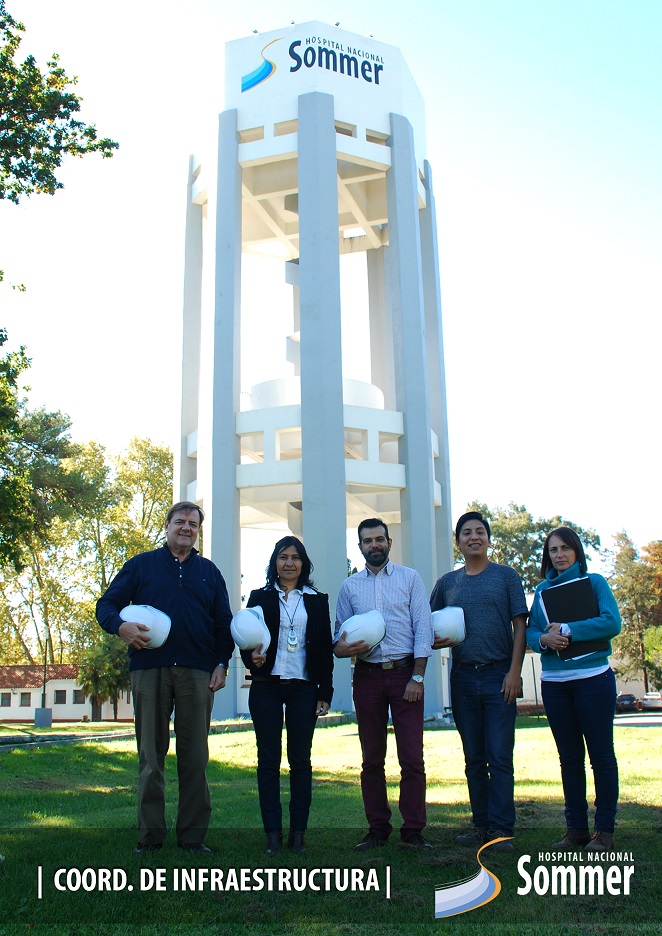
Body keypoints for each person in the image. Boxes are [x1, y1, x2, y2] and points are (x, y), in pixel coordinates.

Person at [96, 501, 234, 855]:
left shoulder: (209, 572)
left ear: (198, 530)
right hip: (149, 670)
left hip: (197, 672)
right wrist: (122, 627)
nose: (186, 528)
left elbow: (223, 623)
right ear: (167, 525)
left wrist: (222, 663)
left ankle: (192, 838)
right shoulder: (141, 565)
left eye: (193, 523)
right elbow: (106, 606)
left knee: (195, 756)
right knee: (150, 755)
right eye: (180, 522)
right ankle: (150, 838)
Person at [430, 511, 528, 851]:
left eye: (480, 531)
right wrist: (436, 638)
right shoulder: (447, 583)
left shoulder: (506, 577)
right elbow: (430, 626)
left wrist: (514, 673)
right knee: (474, 758)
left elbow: (520, 626)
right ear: (458, 542)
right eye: (467, 533)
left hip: (499, 674)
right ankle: (480, 827)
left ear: (488, 538)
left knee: (499, 755)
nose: (474, 537)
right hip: (462, 677)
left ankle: (502, 830)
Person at [334, 518, 434, 850]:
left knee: (411, 757)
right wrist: (341, 649)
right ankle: (377, 829)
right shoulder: (350, 588)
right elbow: (338, 638)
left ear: (389, 542)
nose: (374, 545)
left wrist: (418, 676)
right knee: (371, 758)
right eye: (367, 541)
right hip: (367, 677)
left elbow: (423, 628)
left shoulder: (410, 579)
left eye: (380, 539)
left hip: (405, 673)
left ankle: (414, 830)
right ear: (360, 546)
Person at [526, 526, 621, 853]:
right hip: (555, 686)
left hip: (593, 680)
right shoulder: (541, 591)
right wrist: (543, 639)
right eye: (553, 550)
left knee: (601, 756)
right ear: (547, 555)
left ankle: (604, 831)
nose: (560, 554)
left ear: (577, 551)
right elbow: (530, 633)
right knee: (569, 758)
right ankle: (576, 830)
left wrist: (568, 629)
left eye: (565, 548)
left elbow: (612, 623)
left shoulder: (595, 583)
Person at [242, 536, 334, 854]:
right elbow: (245, 638)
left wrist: (326, 691)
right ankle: (272, 835)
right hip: (266, 686)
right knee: (268, 761)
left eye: (295, 557)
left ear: (303, 563)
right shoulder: (259, 597)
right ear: (275, 563)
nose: (290, 563)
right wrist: (249, 660)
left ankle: (298, 834)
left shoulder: (317, 600)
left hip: (304, 688)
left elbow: (324, 648)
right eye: (283, 557)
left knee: (300, 761)